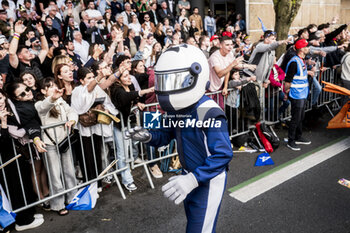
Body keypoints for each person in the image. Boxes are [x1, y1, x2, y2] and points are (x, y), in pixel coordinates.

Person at [125, 44, 233, 233]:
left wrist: (193, 178)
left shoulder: (208, 111)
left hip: (207, 179)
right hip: (189, 174)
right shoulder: (180, 108)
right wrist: (148, 136)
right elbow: (166, 135)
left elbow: (223, 155)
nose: (168, 87)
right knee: (195, 225)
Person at [0, 89, 45, 232]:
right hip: (6, 162)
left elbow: (26, 123)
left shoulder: (11, 109)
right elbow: (3, 143)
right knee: (15, 189)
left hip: (18, 156)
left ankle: (29, 214)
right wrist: (3, 123)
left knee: (24, 184)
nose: (0, 102)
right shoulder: (3, 116)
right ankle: (23, 221)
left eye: (0, 97)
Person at [34, 77, 78, 216]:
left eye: (54, 85)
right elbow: (43, 108)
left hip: (64, 140)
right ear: (42, 90)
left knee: (69, 171)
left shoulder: (60, 100)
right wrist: (52, 98)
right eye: (49, 86)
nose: (54, 88)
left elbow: (71, 111)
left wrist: (71, 121)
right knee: (55, 175)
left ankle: (72, 198)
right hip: (50, 143)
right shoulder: (40, 103)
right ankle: (58, 204)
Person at [110, 68, 154, 191]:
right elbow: (125, 97)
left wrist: (136, 103)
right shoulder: (117, 90)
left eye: (128, 75)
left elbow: (132, 99)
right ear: (118, 80)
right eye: (125, 76)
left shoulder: (130, 87)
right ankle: (127, 180)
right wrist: (145, 91)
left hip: (128, 124)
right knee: (122, 153)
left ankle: (122, 170)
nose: (129, 78)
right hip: (120, 125)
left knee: (127, 150)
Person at [284, 39, 312, 151]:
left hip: (302, 93)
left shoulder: (301, 60)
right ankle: (291, 140)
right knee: (296, 118)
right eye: (307, 46)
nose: (308, 48)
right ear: (301, 49)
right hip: (296, 94)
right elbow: (288, 80)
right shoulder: (295, 62)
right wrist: (287, 92)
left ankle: (298, 136)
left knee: (301, 117)